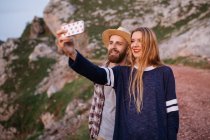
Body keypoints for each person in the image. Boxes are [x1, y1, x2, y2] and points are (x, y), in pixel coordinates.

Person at [56, 27, 179, 140]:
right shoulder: (122, 73)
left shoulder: (164, 72)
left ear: (150, 43)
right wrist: (72, 53)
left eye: (140, 41)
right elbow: (96, 73)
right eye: (133, 41)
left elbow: (172, 112)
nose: (135, 44)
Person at [88, 27, 131, 140]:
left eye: (119, 43)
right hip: (97, 131)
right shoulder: (103, 67)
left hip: (114, 135)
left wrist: (73, 54)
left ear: (127, 49)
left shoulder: (129, 73)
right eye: (111, 43)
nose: (113, 46)